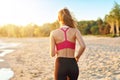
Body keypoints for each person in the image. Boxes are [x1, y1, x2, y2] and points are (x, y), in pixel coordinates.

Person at [49, 8, 86, 80]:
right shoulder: (75, 31)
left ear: (58, 18)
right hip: (72, 63)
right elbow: (83, 46)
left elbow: (52, 54)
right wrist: (77, 57)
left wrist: (57, 50)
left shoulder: (53, 33)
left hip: (60, 64)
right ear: (69, 17)